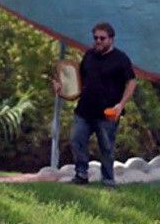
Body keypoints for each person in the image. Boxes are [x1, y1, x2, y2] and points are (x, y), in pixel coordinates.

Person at [54, 21, 136, 186]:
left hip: (107, 113)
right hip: (84, 110)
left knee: (106, 147)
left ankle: (108, 179)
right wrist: (61, 87)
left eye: (102, 38)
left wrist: (120, 105)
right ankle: (81, 175)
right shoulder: (89, 56)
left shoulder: (121, 59)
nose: (98, 41)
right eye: (95, 38)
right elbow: (78, 81)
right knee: (76, 140)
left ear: (111, 39)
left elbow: (131, 82)